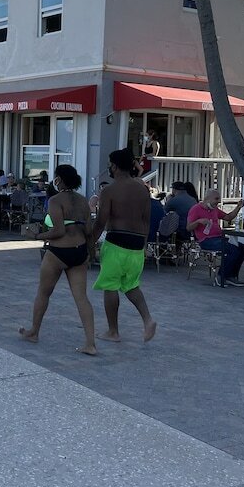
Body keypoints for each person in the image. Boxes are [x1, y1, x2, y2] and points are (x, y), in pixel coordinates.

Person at [19, 164, 97, 355]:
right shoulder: (83, 201)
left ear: (59, 179)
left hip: (58, 252)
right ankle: (91, 343)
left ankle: (34, 332)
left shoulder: (55, 200)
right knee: (82, 298)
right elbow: (88, 232)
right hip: (79, 252)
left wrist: (36, 237)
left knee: (43, 293)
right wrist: (90, 253)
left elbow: (58, 231)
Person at [92, 147, 157, 343]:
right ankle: (147, 320)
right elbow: (146, 220)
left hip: (117, 241)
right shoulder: (143, 189)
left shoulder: (109, 190)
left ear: (115, 166)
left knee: (110, 286)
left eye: (110, 165)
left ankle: (113, 331)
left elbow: (101, 221)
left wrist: (89, 243)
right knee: (131, 285)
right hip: (137, 243)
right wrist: (144, 245)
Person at [187, 188, 244, 287]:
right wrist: (198, 222)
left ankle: (231, 275)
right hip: (206, 240)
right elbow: (188, 227)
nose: (218, 201)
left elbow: (228, 217)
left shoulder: (214, 209)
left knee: (243, 248)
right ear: (208, 199)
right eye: (216, 199)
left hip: (219, 238)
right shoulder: (195, 209)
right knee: (233, 249)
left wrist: (238, 207)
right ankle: (221, 276)